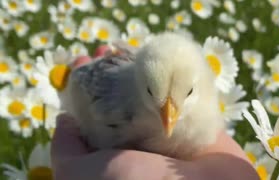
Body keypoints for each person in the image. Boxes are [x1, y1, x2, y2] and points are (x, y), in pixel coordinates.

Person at [51, 46, 259, 180]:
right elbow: (82, 78)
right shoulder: (122, 103)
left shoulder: (204, 103)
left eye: (187, 93)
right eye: (151, 92)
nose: (169, 117)